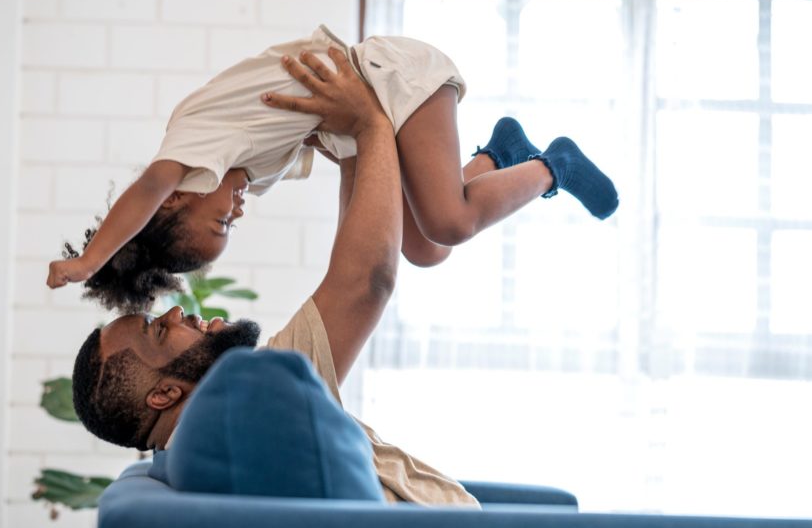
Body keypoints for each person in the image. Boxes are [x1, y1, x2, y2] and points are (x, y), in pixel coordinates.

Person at [70, 48, 566, 506]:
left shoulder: (232, 415)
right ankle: (546, 169)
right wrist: (368, 126)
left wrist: (357, 144)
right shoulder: (246, 402)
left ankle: (509, 161)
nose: (177, 312)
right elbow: (365, 279)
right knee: (437, 235)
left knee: (432, 240)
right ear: (162, 395)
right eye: (160, 329)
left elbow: (360, 265)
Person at [46, 25, 618, 313]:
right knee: (423, 249)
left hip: (388, 80)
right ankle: (498, 154)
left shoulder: (192, 146)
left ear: (174, 198)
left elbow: (147, 187)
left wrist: (90, 261)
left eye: (220, 222)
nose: (236, 212)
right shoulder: (240, 165)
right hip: (370, 116)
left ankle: (554, 166)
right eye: (232, 228)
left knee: (449, 223)